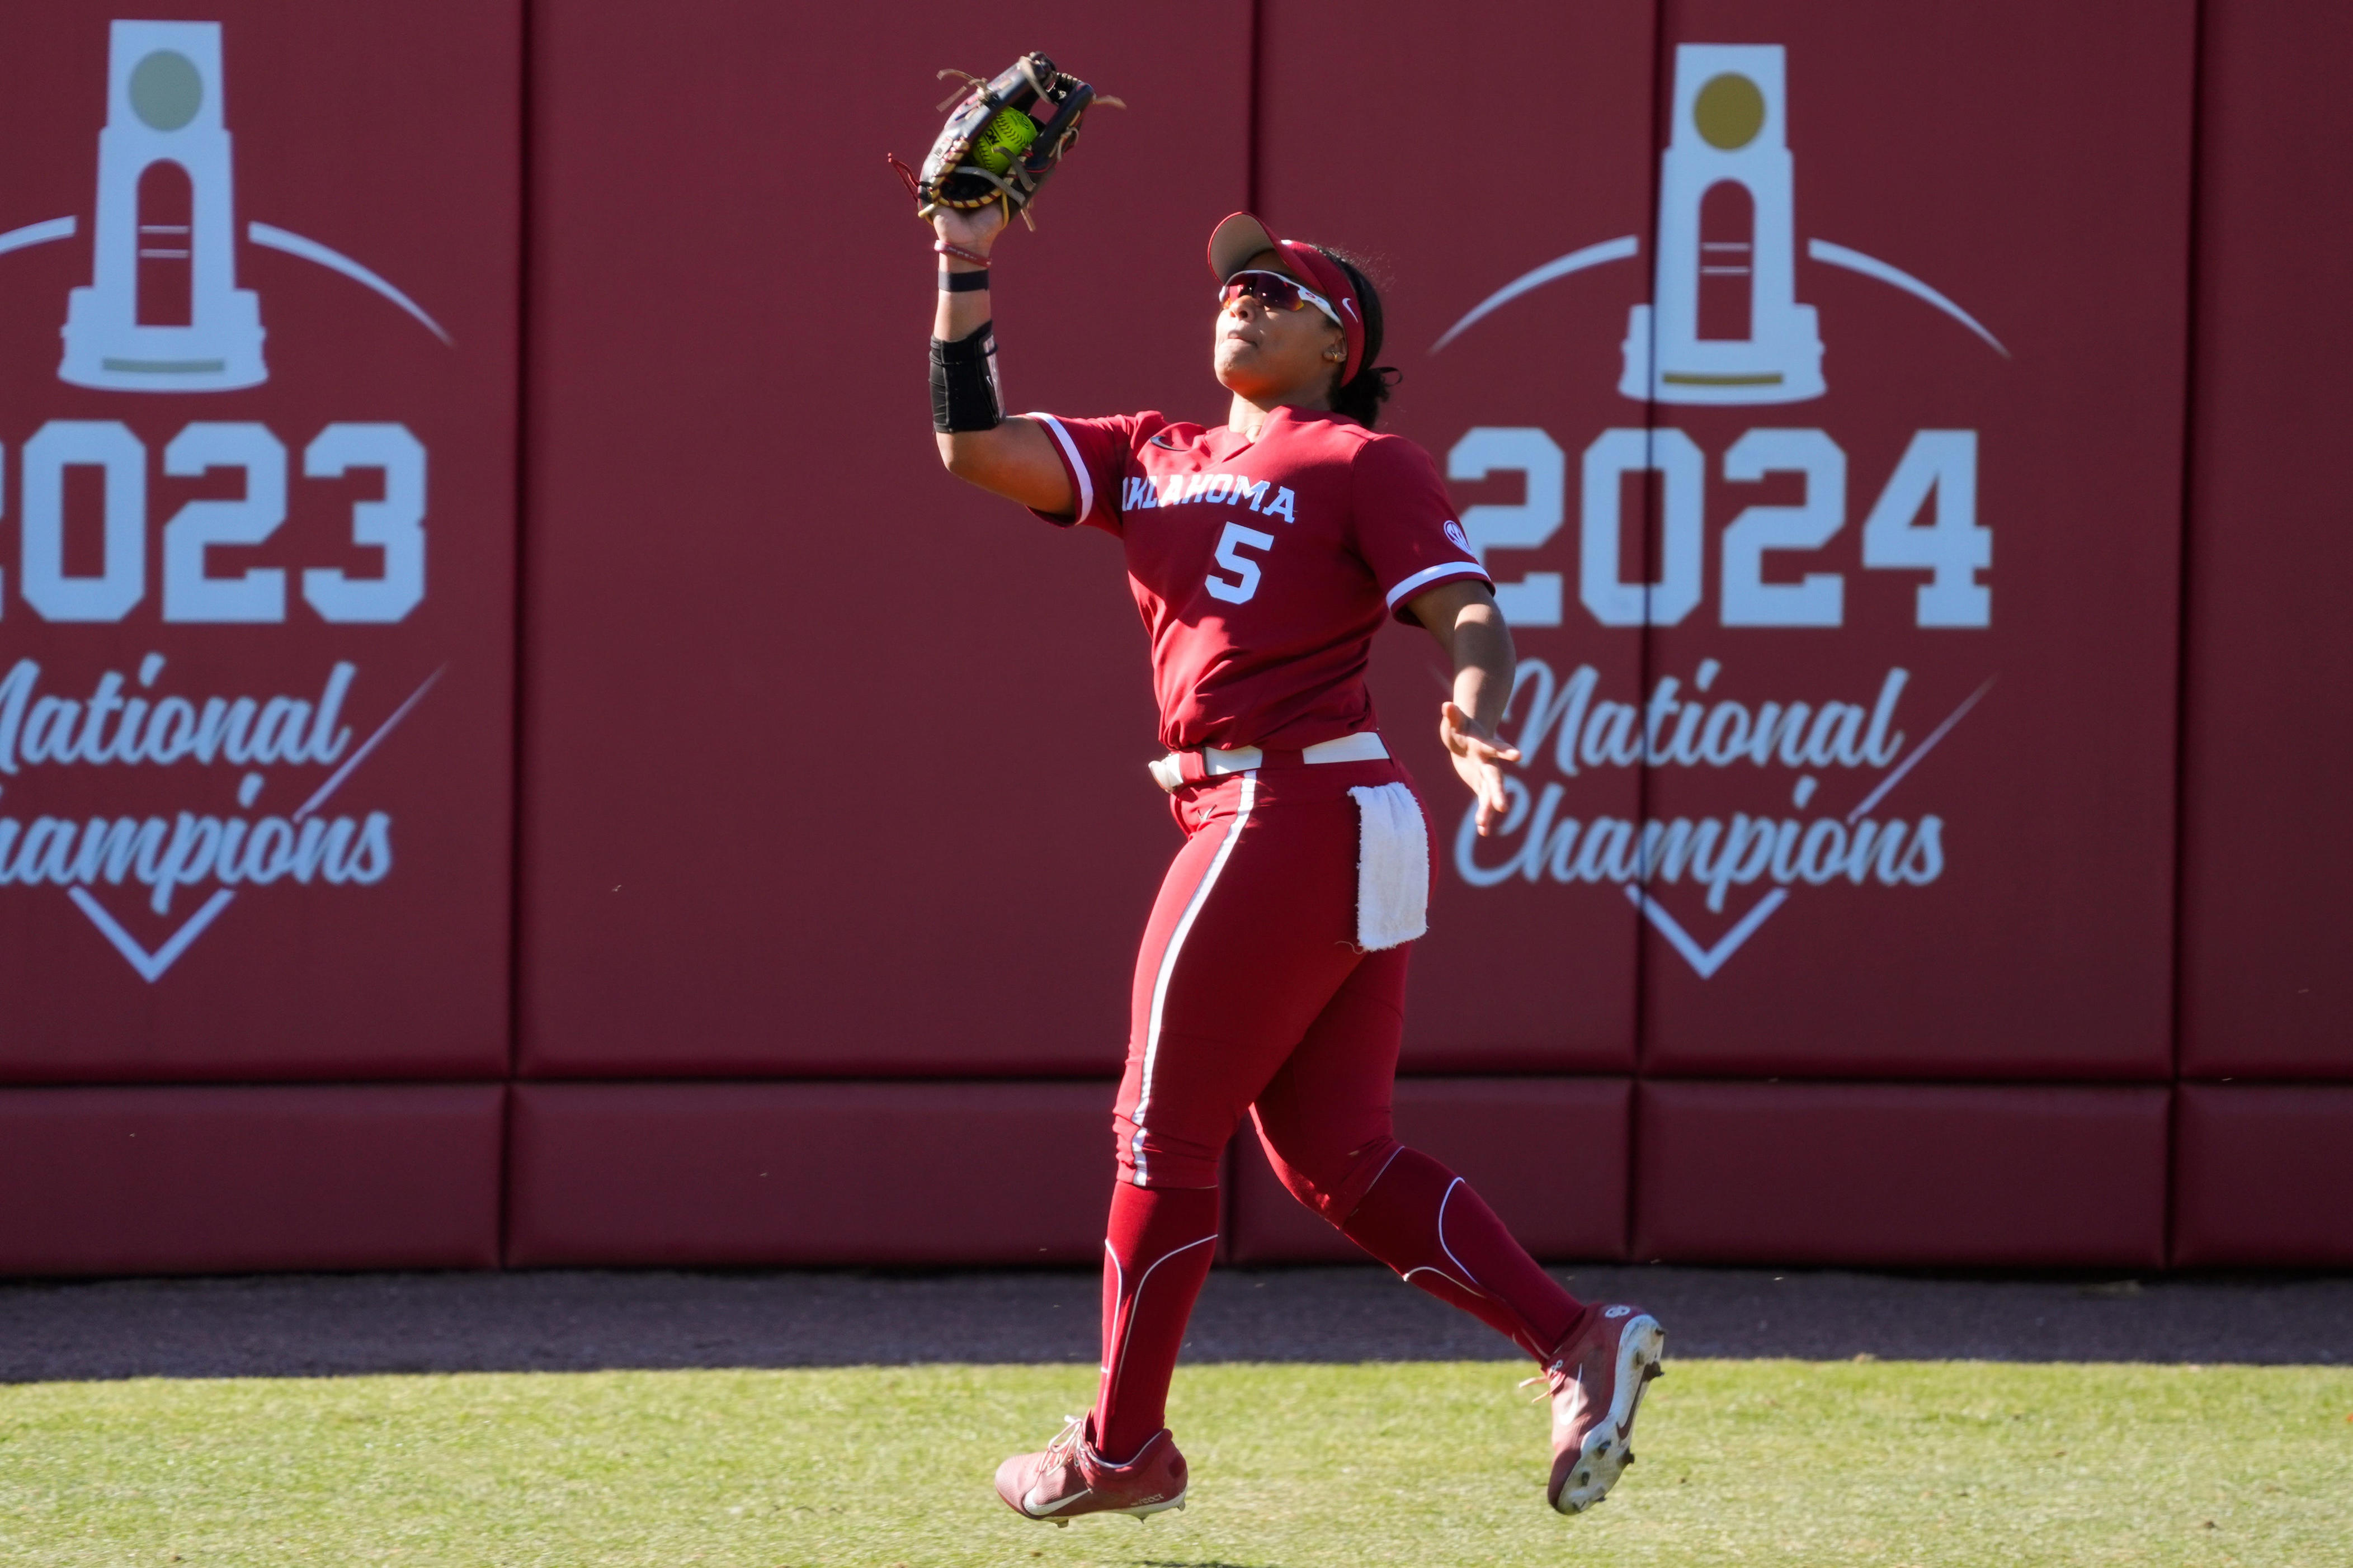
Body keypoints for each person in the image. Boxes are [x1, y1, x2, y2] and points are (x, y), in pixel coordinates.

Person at [925, 197, 1666, 1525]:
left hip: (1287, 811)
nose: (1242, 295)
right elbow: (973, 447)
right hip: (1305, 820)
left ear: (1340, 342)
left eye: (1279, 289)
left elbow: (1468, 609)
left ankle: (1121, 1445)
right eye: (1233, 284)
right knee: (1338, 1157)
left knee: (1161, 1132)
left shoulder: (1357, 457)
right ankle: (1577, 1337)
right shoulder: (1150, 449)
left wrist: (1476, 708)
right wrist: (963, 264)